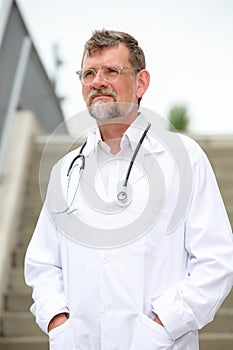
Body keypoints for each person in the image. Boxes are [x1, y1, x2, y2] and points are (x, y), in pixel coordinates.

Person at [24, 29, 233, 350]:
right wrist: (58, 324)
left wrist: (163, 326)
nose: (97, 81)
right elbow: (43, 264)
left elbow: (217, 260)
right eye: (89, 73)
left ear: (141, 83)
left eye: (111, 71)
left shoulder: (184, 158)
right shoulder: (65, 170)